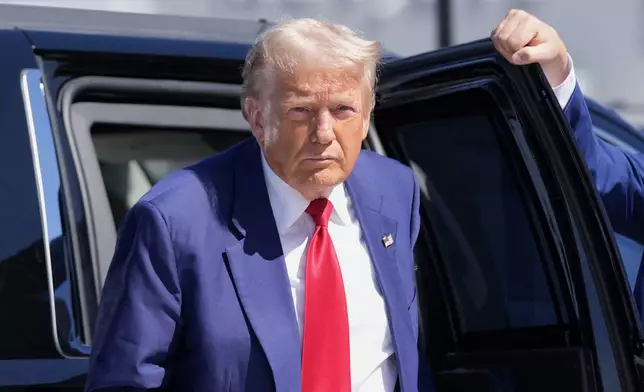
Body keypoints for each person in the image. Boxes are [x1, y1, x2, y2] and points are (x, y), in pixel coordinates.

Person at [84, 10, 589, 392]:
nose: (325, 134)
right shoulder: (175, 221)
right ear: (257, 118)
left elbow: (402, 355)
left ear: (367, 115)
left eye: (343, 109)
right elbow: (123, 382)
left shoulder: (395, 190)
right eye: (301, 111)